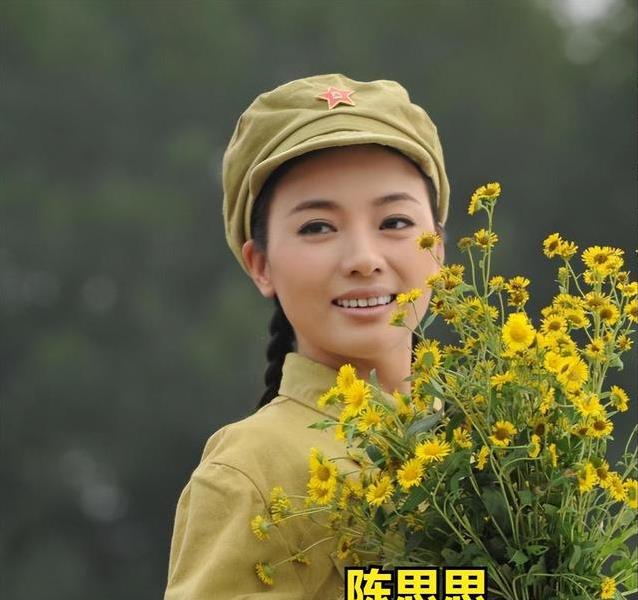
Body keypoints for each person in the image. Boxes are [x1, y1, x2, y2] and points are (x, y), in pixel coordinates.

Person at [164, 73, 450, 599]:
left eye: (395, 222)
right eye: (318, 226)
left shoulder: (493, 445)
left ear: (439, 247)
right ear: (261, 265)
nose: (364, 259)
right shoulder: (253, 470)